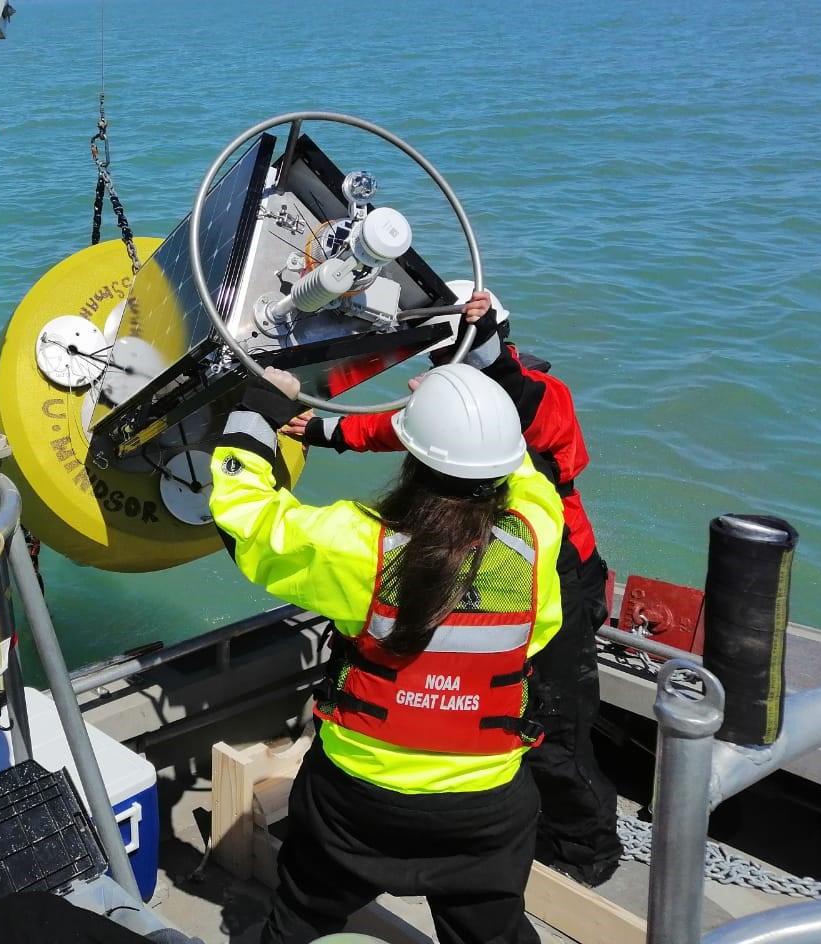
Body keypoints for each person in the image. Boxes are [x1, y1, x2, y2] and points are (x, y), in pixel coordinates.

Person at [211, 363, 564, 944]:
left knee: (299, 917)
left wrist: (257, 410)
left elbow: (248, 521)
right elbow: (523, 477)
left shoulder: (358, 544)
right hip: (486, 808)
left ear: (410, 455)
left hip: (355, 802)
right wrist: (468, 410)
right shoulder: (535, 534)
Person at [284, 282, 621, 886]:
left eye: (450, 359)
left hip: (556, 577)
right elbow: (391, 429)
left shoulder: (541, 397)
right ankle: (489, 816)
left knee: (557, 728)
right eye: (438, 363)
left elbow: (511, 399)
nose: (436, 379)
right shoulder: (454, 409)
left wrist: (481, 340)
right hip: (480, 571)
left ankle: (584, 851)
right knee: (488, 705)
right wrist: (312, 430)